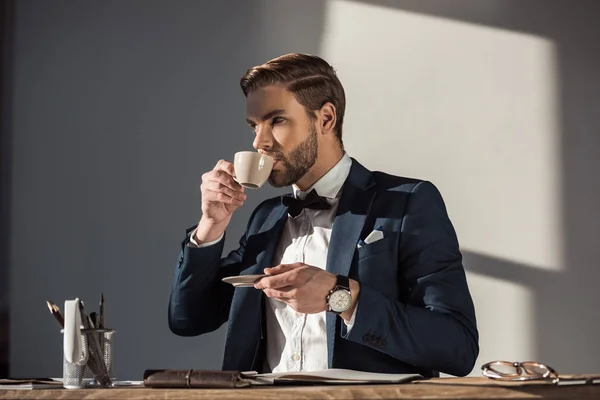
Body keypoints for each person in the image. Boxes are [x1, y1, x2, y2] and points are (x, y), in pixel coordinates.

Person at [168, 53, 479, 377]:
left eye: (276, 121)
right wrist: (210, 226)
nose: (259, 142)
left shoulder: (407, 203)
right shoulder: (267, 218)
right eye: (254, 126)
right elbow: (188, 319)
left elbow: (457, 347)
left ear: (326, 119)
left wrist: (341, 296)